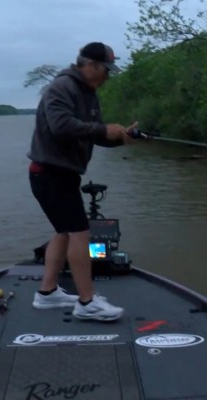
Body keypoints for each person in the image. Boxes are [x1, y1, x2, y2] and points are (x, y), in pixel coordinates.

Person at [27, 42, 137, 321]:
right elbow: (61, 126)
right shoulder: (61, 87)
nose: (108, 76)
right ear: (90, 65)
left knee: (64, 232)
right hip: (49, 173)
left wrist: (120, 137)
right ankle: (87, 303)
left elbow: (93, 135)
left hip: (61, 174)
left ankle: (47, 293)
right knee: (79, 234)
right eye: (105, 70)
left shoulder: (88, 94)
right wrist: (103, 129)